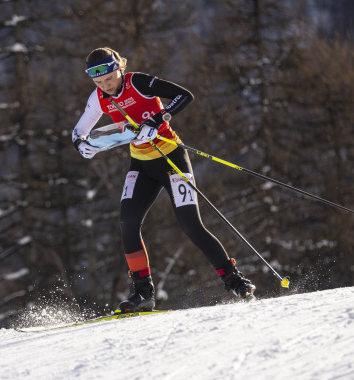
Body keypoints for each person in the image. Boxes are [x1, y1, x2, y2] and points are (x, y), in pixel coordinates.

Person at [71, 47, 255, 312]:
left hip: (171, 158)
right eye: (98, 82)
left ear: (119, 69)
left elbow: (184, 96)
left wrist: (156, 121)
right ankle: (143, 293)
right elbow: (80, 131)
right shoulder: (98, 98)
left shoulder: (139, 82)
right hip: (141, 164)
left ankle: (234, 280)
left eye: (109, 79)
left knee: (190, 223)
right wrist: (82, 145)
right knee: (127, 222)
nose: (106, 87)